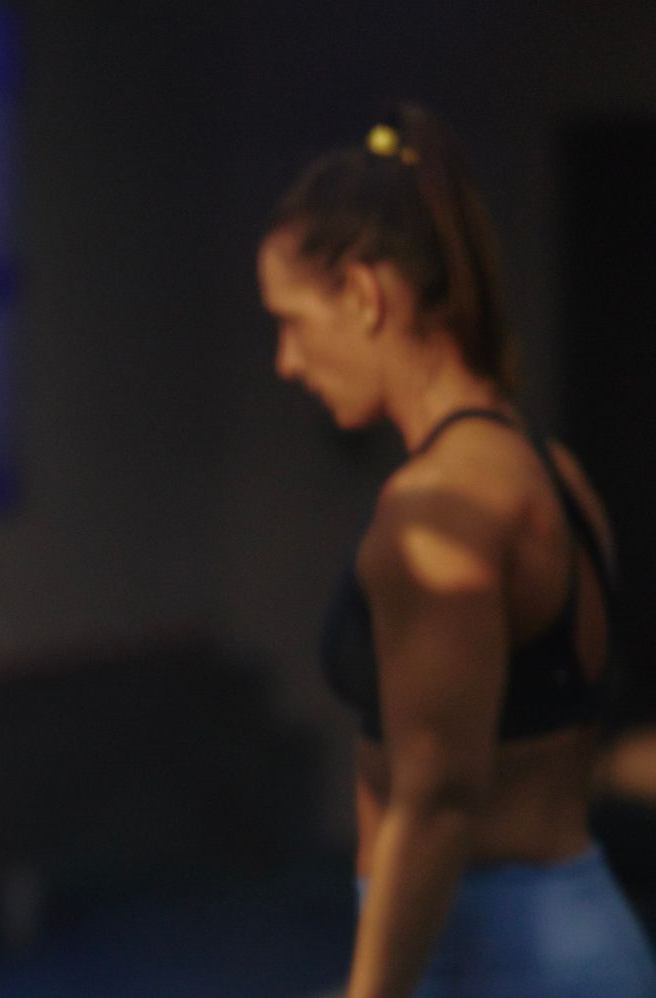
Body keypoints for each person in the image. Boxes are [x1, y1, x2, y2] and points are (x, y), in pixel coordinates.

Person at [258, 103, 656, 997]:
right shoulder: (552, 472)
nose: (287, 360)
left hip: (496, 957)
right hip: (572, 934)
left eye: (291, 321)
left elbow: (436, 798)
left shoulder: (437, 507)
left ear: (364, 296)